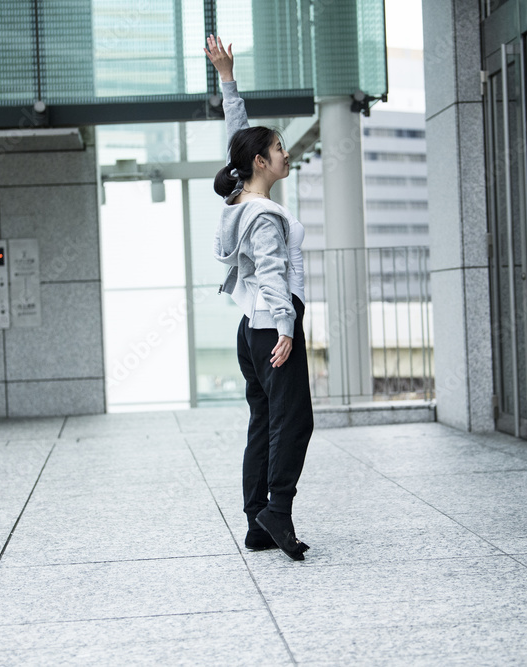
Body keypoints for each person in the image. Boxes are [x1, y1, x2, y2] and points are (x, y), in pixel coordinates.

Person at [205, 34, 314, 562]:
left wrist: (228, 81)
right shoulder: (266, 216)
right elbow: (272, 273)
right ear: (261, 162)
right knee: (294, 420)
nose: (286, 153)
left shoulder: (240, 200)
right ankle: (279, 512)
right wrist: (289, 327)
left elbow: (238, 139)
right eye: (279, 150)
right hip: (273, 325)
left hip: (250, 329)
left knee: (264, 420)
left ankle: (256, 521)